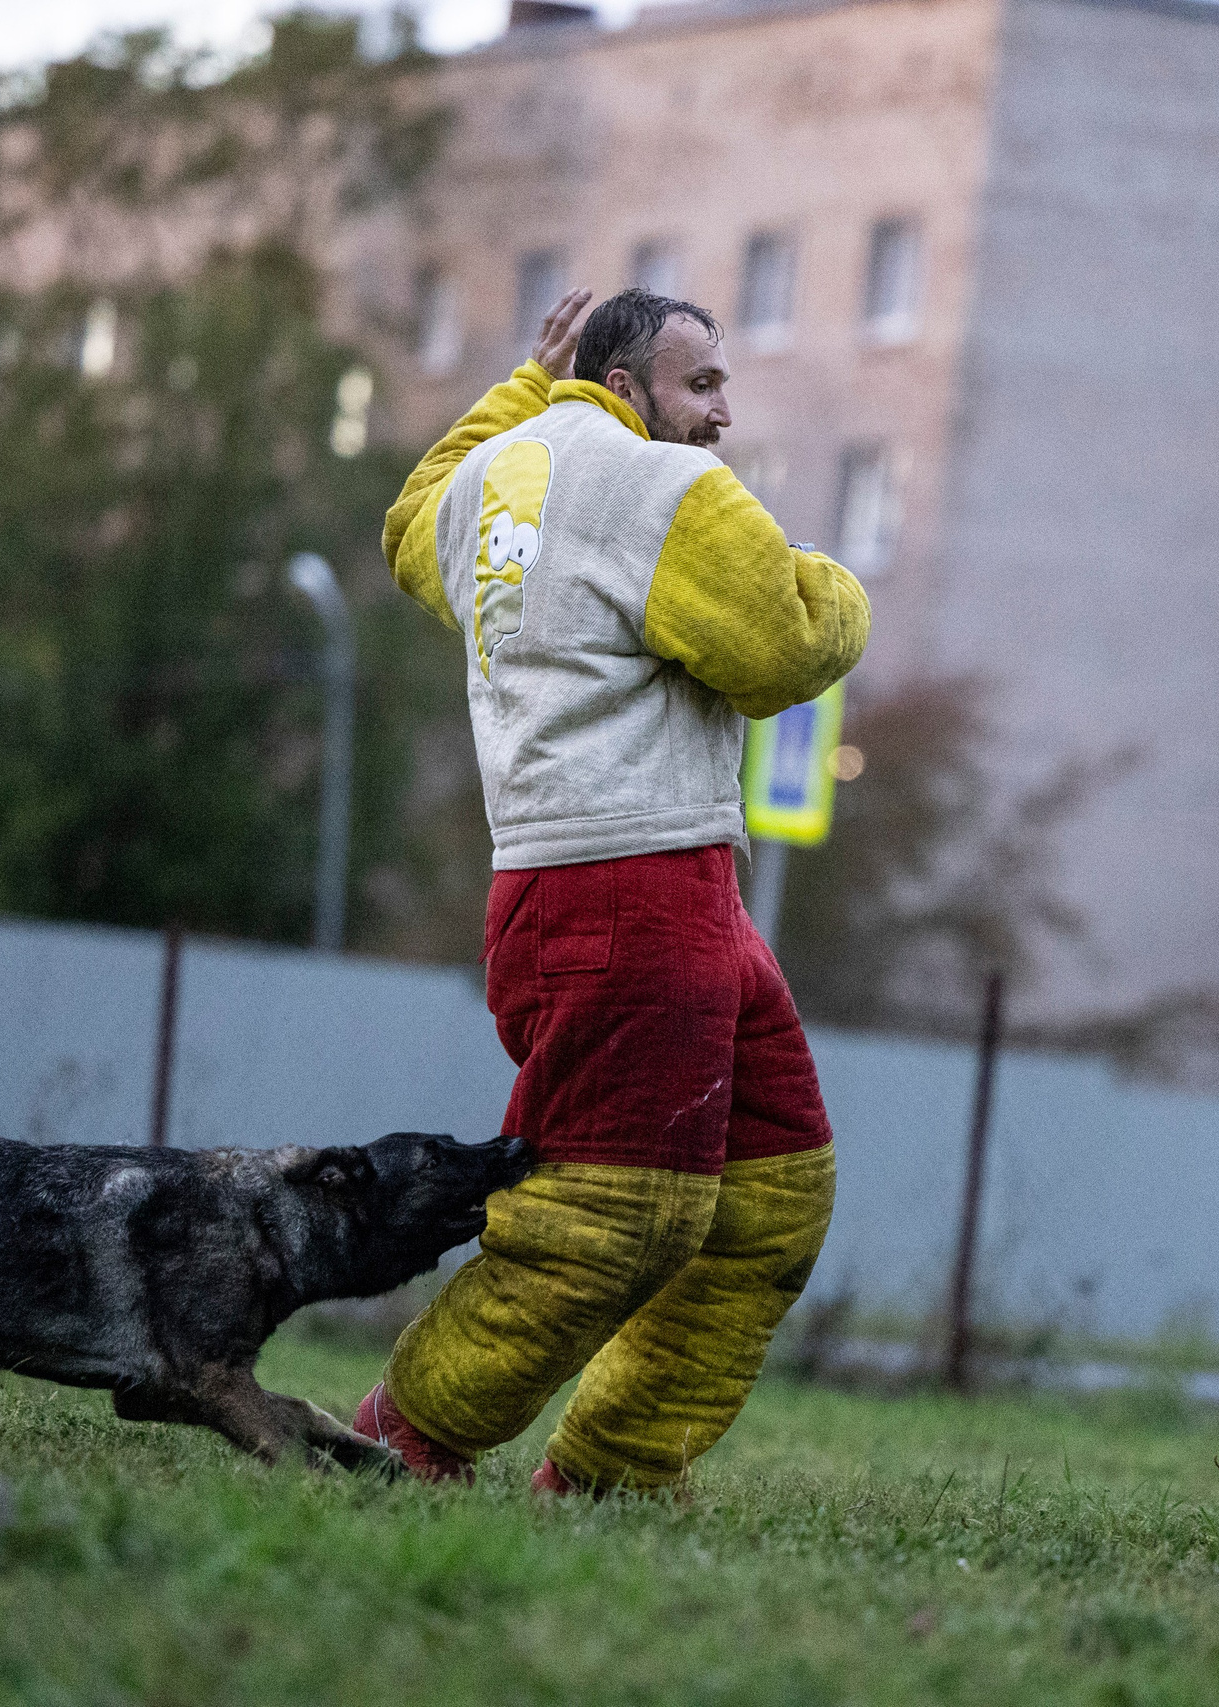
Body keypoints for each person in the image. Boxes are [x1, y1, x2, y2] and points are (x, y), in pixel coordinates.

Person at [355, 286, 871, 1493]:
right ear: (628, 387)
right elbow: (784, 649)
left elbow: (412, 515)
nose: (723, 414)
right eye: (700, 385)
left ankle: (615, 1476)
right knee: (611, 1219)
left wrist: (528, 388)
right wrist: (830, 577)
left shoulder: (497, 485)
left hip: (618, 895)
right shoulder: (663, 491)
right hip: (633, 897)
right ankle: (398, 1442)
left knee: (766, 1198)